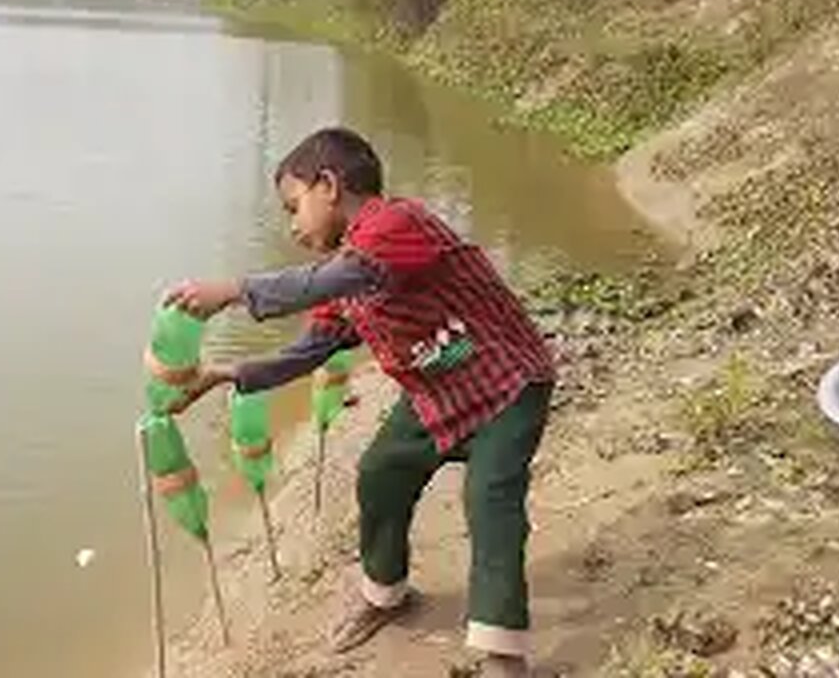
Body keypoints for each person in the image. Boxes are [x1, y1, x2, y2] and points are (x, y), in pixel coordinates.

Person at [164, 127, 555, 678]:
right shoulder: (342, 278)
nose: (293, 226)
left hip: (507, 384)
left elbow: (346, 275)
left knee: (490, 501)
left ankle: (502, 651)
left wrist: (234, 289)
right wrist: (225, 373)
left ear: (328, 185)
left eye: (293, 206)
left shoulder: (397, 224)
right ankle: (386, 594)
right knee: (380, 474)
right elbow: (312, 349)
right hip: (438, 392)